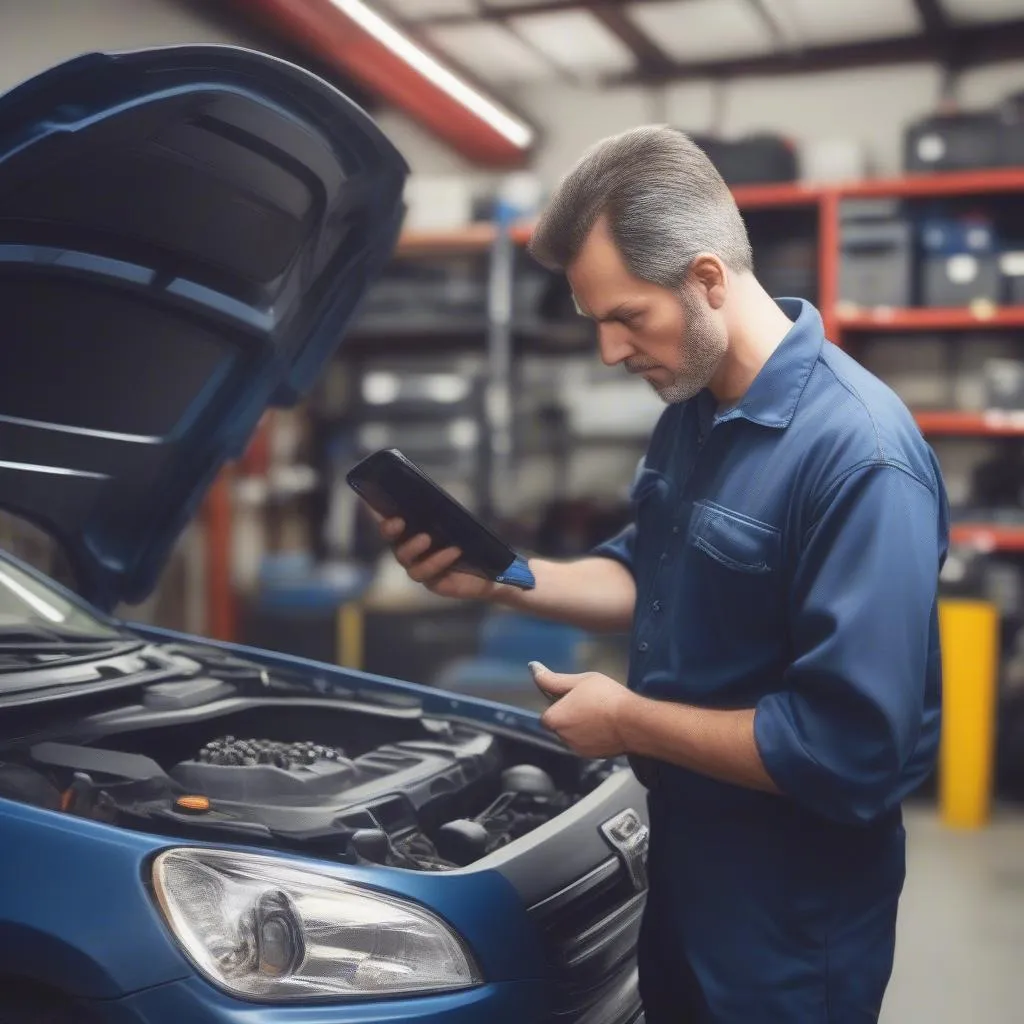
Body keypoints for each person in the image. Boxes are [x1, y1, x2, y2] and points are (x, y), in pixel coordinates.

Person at [376, 125, 949, 1023]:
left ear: (708, 278)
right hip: (682, 866)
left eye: (626, 316)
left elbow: (850, 753)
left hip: (790, 914)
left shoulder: (860, 459)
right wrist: (500, 579)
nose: (610, 350)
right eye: (595, 320)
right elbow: (652, 573)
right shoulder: (693, 406)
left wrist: (626, 719)